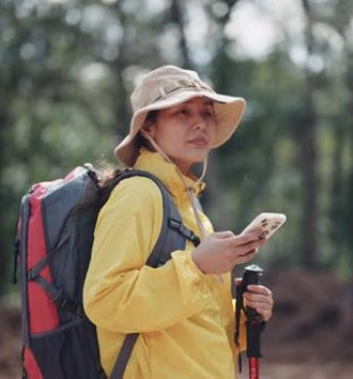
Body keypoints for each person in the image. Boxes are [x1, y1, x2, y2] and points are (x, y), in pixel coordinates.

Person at [83, 65, 274, 379]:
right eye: (182, 112)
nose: (199, 123)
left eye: (207, 112)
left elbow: (196, 326)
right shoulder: (138, 194)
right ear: (149, 128)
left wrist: (245, 315)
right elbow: (105, 300)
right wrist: (197, 266)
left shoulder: (192, 208)